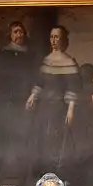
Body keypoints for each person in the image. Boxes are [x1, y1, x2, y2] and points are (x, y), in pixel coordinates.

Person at [0, 20, 38, 183]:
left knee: (23, 137)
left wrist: (33, 96)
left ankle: (23, 176)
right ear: (10, 35)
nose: (19, 34)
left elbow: (38, 78)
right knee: (1, 136)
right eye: (16, 32)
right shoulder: (1, 54)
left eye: (21, 31)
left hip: (23, 102)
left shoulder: (31, 56)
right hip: (4, 101)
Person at [26, 25, 81, 177]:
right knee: (42, 138)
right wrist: (33, 96)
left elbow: (73, 87)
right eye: (52, 37)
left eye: (57, 37)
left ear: (63, 39)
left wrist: (71, 109)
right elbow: (40, 82)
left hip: (59, 107)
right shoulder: (46, 60)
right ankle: (43, 174)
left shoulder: (68, 62)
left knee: (57, 140)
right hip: (44, 107)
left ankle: (59, 175)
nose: (53, 40)